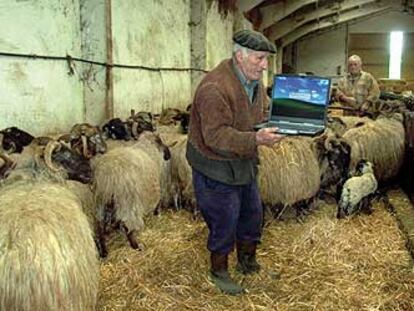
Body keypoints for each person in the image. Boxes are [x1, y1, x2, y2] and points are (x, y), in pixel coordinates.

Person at [186, 29, 284, 295]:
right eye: (260, 59)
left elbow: (261, 111)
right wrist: (257, 140)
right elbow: (216, 135)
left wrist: (286, 120)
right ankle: (219, 272)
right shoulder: (214, 88)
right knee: (224, 219)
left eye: (266, 60)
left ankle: (248, 263)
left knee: (252, 215)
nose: (264, 66)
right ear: (240, 56)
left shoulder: (254, 84)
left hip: (242, 162)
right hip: (214, 166)